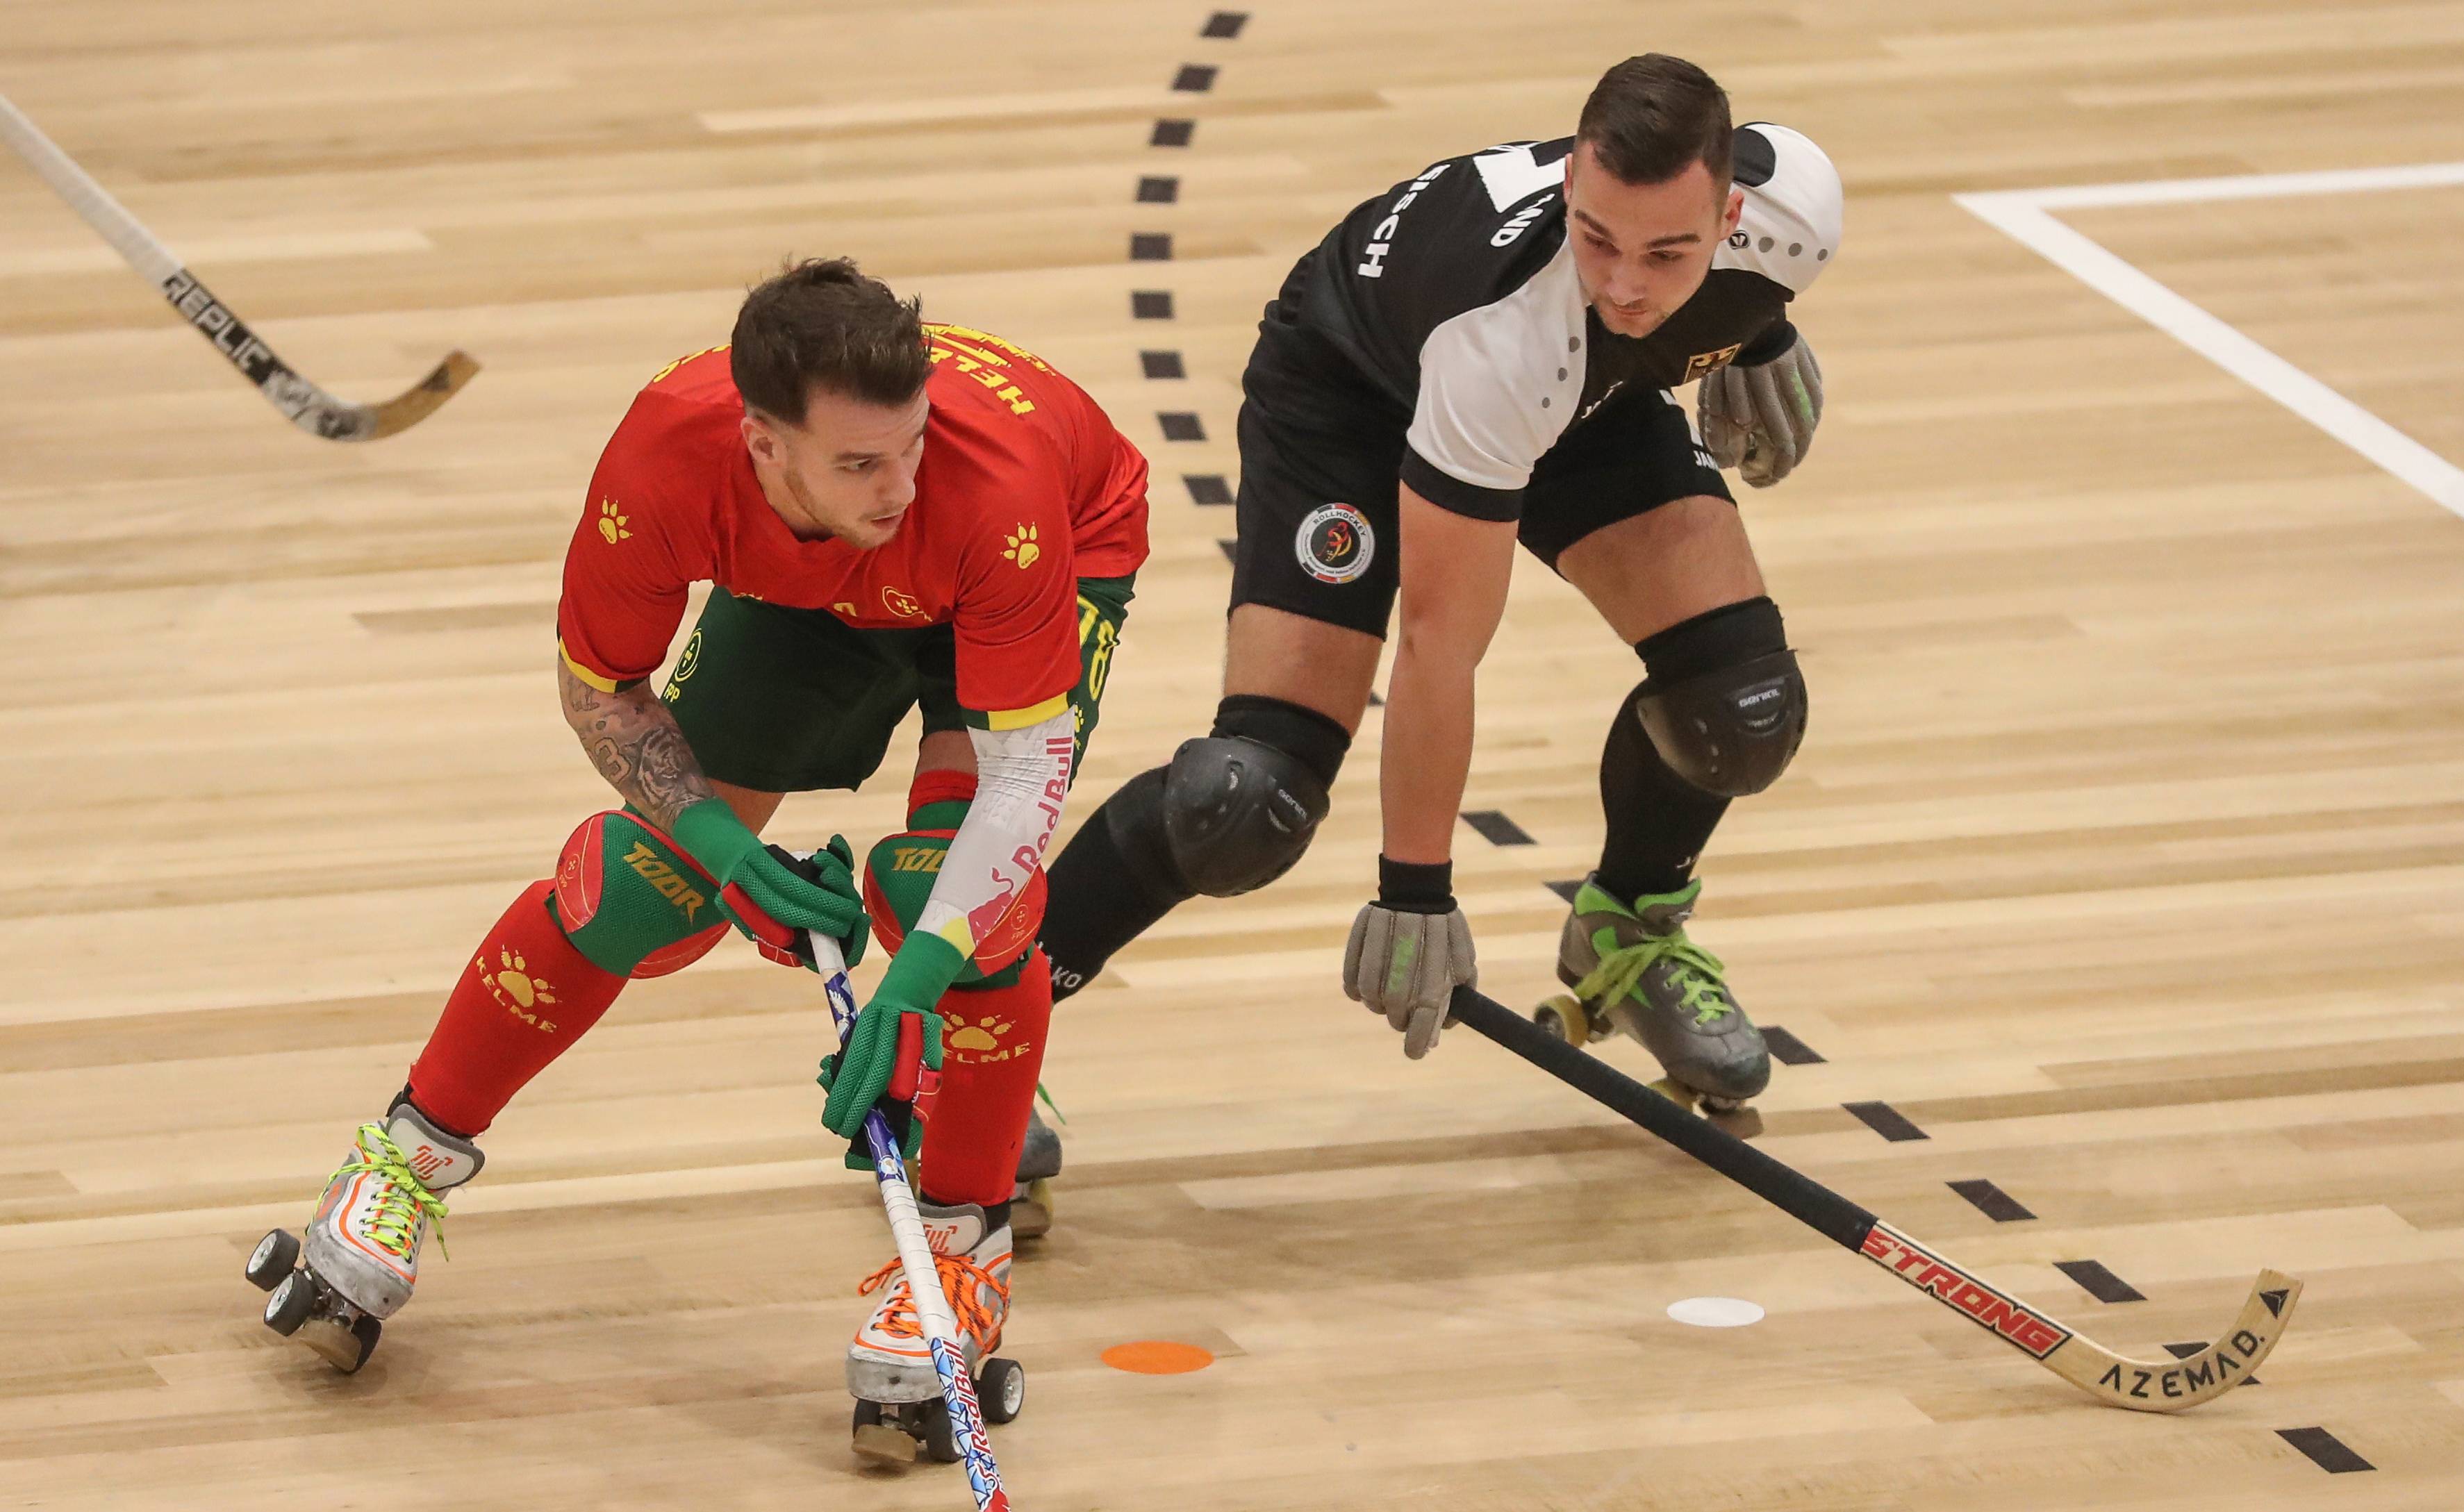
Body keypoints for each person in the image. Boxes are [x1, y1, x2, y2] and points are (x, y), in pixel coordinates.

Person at [246, 261, 1148, 1433]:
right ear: (763, 446)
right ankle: (403, 1156)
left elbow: (1024, 783)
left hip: (1037, 560)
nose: (901, 483)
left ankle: (957, 1251)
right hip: (807, 592)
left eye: (914, 443)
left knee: (964, 904)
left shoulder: (986, 489)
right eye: (861, 462)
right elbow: (600, 692)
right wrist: (722, 852)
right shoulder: (667, 457)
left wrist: (916, 975)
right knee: (641, 887)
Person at [1031, 53, 1838, 1151]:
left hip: (1579, 404)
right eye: (1597, 236)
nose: (1628, 283)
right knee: (1244, 800)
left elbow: (1709, 287)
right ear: (1569, 192)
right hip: (1354, 395)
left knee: (1742, 708)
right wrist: (1415, 888)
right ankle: (973, 1030)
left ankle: (1629, 927)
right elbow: (1440, 645)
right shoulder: (1504, 337)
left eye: (1670, 253)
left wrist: (1754, 330)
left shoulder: (1797, 207)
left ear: (1733, 216)